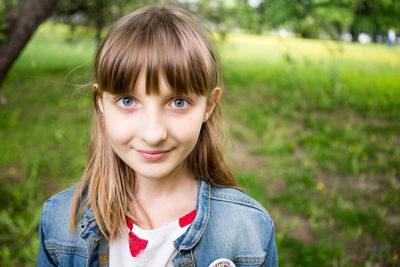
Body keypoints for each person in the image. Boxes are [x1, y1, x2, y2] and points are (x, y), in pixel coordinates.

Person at [36, 5, 278, 267]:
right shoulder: (60, 223)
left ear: (209, 105)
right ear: (101, 102)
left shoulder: (248, 231)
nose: (153, 134)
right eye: (128, 101)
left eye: (178, 102)